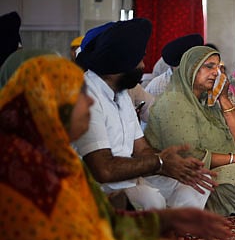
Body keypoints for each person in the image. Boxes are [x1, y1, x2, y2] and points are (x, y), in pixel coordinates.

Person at [0, 55, 231, 240]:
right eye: (80, 96)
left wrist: (165, 219)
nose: (91, 104)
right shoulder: (14, 167)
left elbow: (102, 222)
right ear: (51, 103)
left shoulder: (61, 159)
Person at [74, 18, 216, 210]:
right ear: (120, 63)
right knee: (151, 200)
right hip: (95, 188)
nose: (143, 65)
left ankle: (172, 223)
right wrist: (159, 162)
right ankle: (164, 224)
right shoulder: (85, 95)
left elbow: (141, 150)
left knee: (199, 181)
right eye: (138, 60)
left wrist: (174, 164)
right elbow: (104, 170)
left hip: (130, 179)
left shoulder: (121, 92)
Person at [145, 45, 235, 218]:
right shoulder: (174, 103)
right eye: (209, 66)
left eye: (218, 68)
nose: (216, 73)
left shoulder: (207, 100)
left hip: (217, 163)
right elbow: (191, 156)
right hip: (179, 174)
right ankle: (224, 207)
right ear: (191, 68)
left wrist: (224, 98)